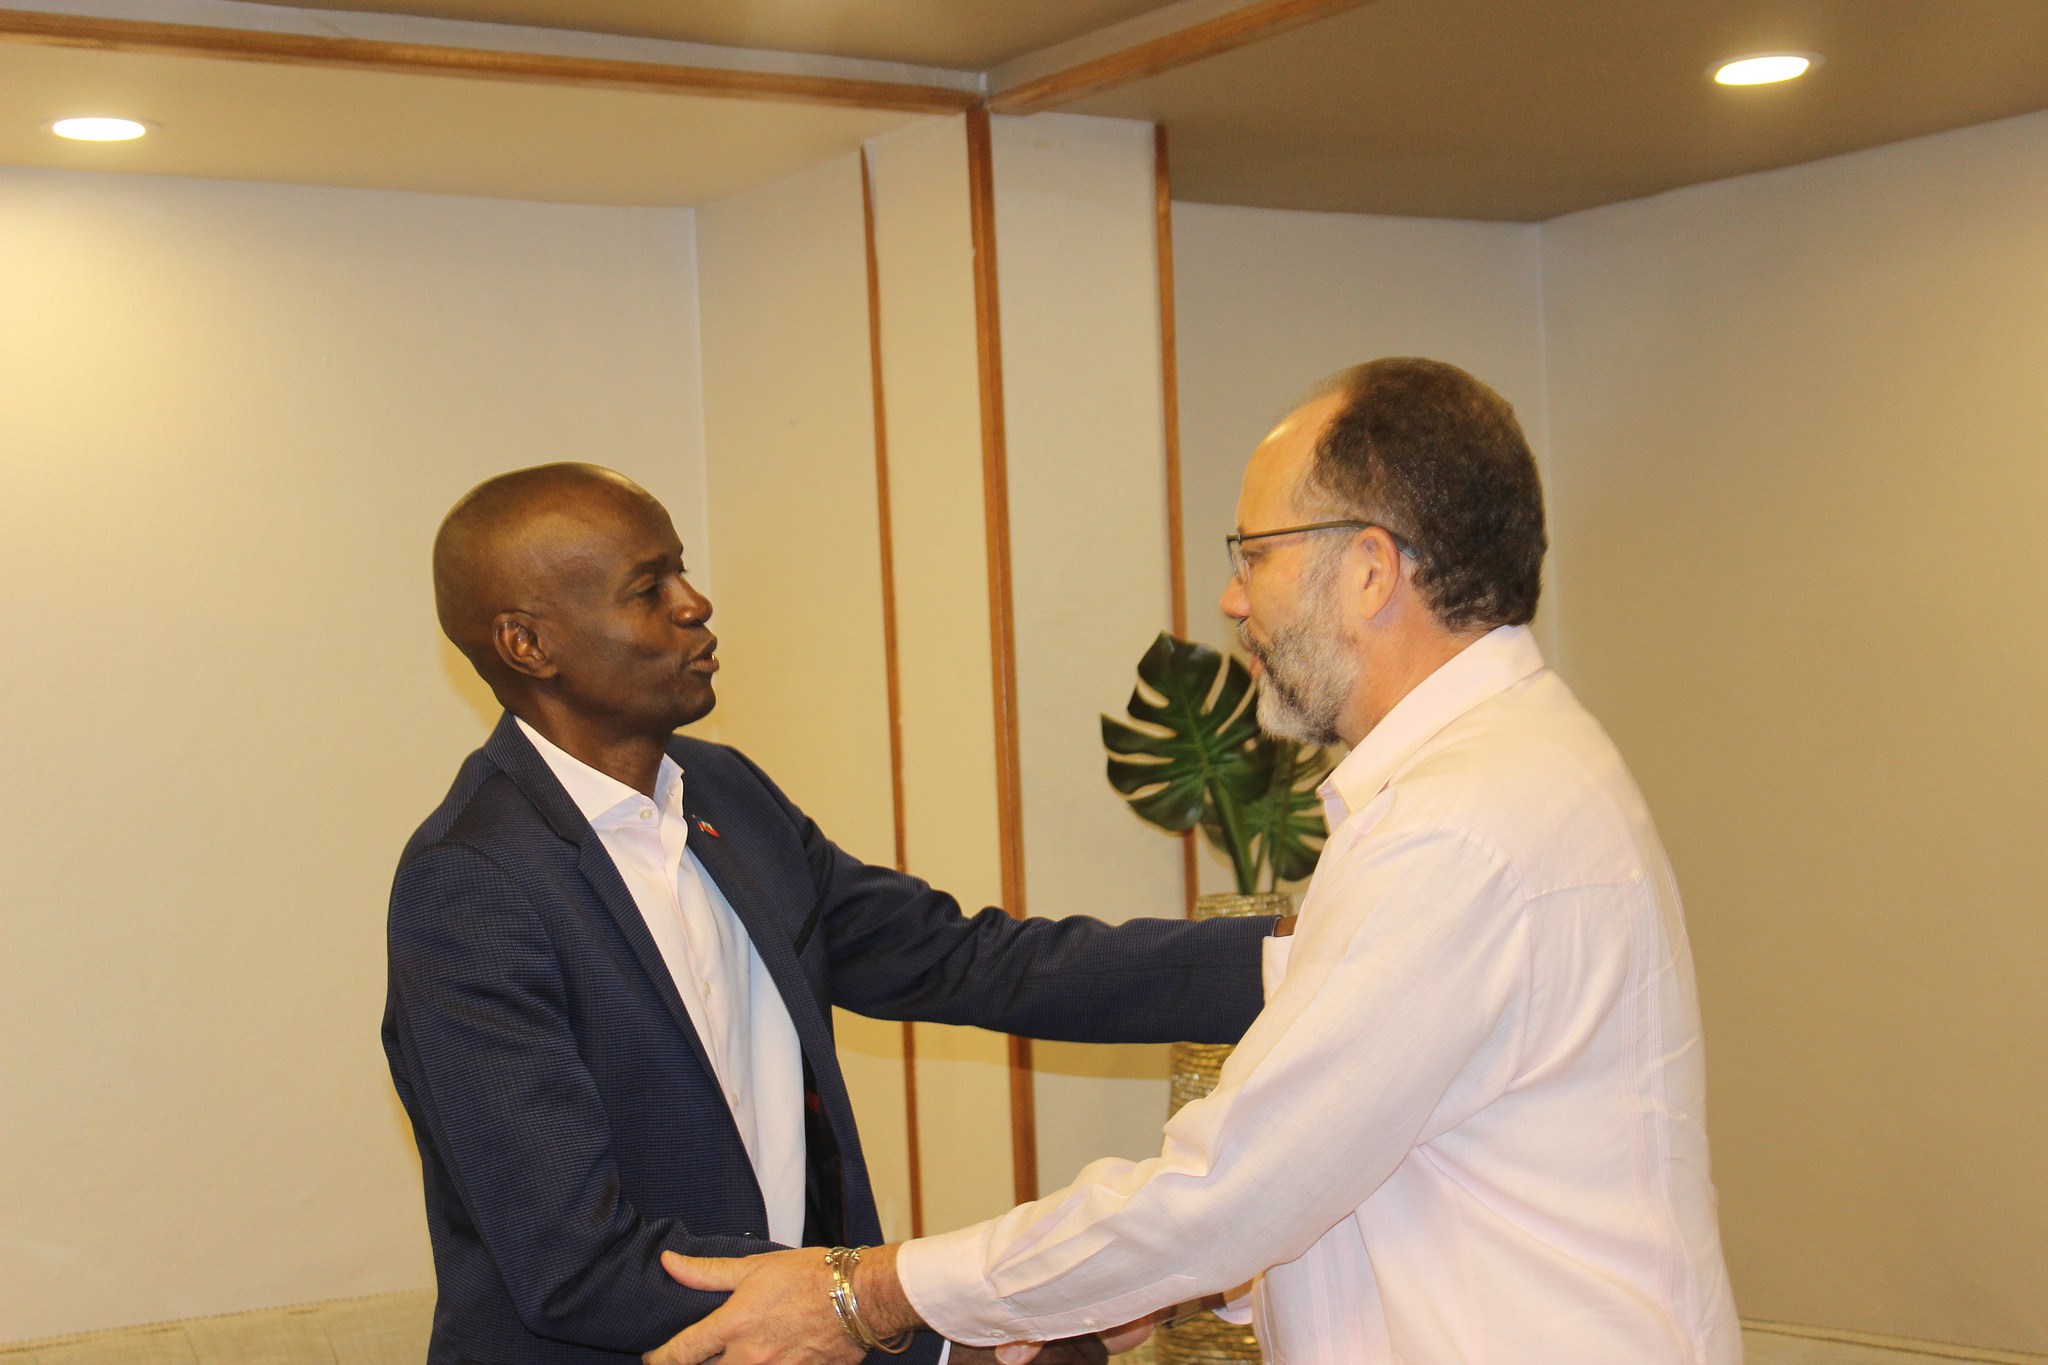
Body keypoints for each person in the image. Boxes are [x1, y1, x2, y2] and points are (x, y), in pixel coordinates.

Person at [643, 358, 1742, 1364]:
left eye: (1254, 555)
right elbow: (1370, 1167)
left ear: (1368, 570)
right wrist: (1165, 1283)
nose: (1231, 599)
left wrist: (868, 1292)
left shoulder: (1459, 824)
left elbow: (1233, 1188)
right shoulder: (1501, 770)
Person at [382, 463, 1277, 1365]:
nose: (696, 604)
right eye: (650, 589)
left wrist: (1296, 957)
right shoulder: (472, 886)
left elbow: (967, 959)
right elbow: (577, 1257)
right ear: (528, 644)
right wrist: (925, 1334)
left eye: (683, 572)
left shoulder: (727, 795)